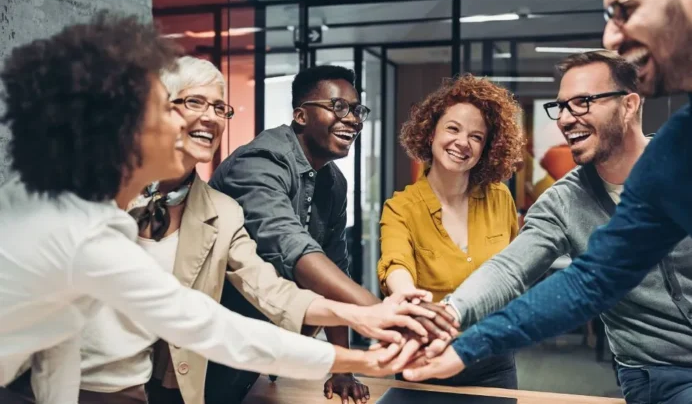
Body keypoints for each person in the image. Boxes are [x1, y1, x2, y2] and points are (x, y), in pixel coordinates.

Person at [402, 0, 692, 398]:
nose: (613, 37)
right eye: (562, 106)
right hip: (671, 377)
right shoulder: (680, 154)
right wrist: (460, 339)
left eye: (625, 10)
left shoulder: (683, 150)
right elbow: (591, 278)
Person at [0, 12, 413, 404]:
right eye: (181, 108)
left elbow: (61, 342)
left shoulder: (101, 208)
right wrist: (361, 354)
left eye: (219, 108)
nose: (204, 122)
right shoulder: (79, 219)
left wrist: (358, 338)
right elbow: (207, 324)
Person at [69, 56, 439, 404]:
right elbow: (290, 245)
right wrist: (372, 312)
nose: (211, 117)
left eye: (219, 108)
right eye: (195, 102)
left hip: (171, 374)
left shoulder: (222, 211)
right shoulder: (90, 186)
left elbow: (276, 292)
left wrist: (357, 342)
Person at [435, 51, 692, 403]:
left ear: (629, 105)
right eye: (560, 106)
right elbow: (509, 270)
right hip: (667, 376)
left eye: (582, 102)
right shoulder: (562, 203)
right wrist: (450, 312)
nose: (564, 118)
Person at [208, 65, 457, 403]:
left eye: (357, 109)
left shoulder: (333, 182)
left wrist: (341, 368)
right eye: (339, 107)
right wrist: (379, 312)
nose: (353, 119)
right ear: (300, 115)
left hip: (263, 342)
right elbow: (292, 246)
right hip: (212, 342)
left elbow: (334, 266)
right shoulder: (259, 162)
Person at [377, 74, 525, 389]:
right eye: (453, 128)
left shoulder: (500, 198)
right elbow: (396, 263)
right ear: (430, 133)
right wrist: (407, 296)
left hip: (494, 359)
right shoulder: (402, 208)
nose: (462, 143)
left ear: (487, 148)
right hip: (425, 357)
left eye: (476, 137)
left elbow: (514, 270)